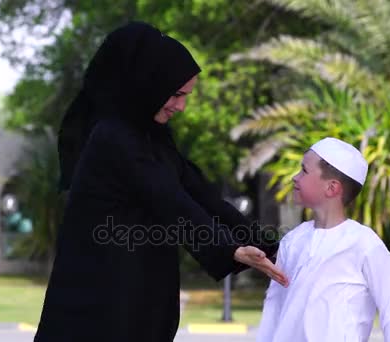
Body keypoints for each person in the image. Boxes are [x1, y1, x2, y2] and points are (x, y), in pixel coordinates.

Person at [34, 21, 288, 342]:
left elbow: (202, 196)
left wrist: (270, 247)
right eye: (177, 94)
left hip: (135, 302)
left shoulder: (154, 139)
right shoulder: (112, 137)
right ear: (149, 83)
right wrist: (228, 248)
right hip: (98, 307)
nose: (180, 107)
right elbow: (169, 199)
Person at [256, 137, 390, 342]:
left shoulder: (364, 243)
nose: (295, 178)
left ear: (332, 188)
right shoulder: (292, 240)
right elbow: (274, 305)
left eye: (304, 171)